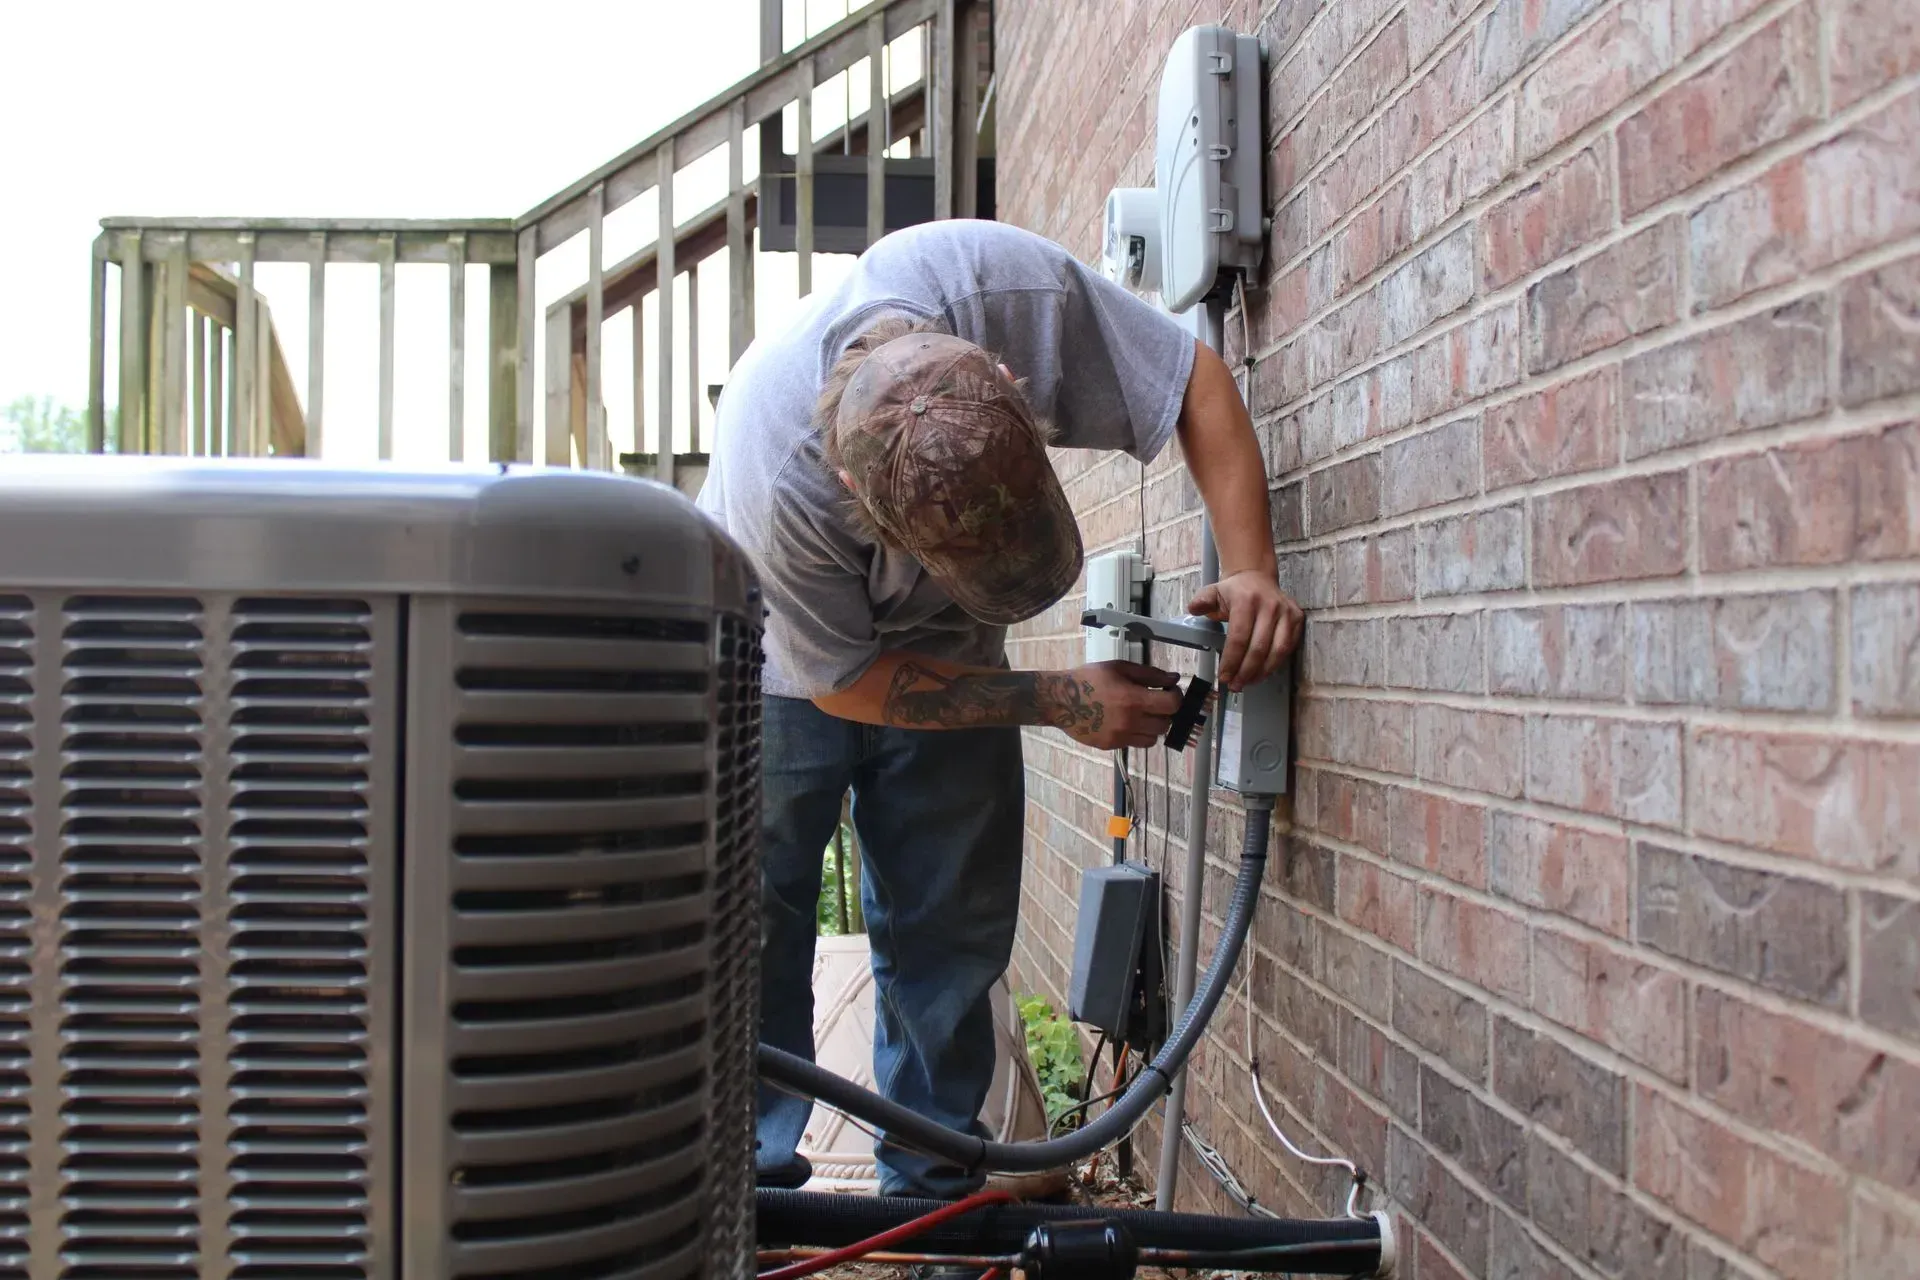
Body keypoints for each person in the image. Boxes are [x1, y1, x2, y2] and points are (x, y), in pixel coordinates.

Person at [695, 217, 1302, 1202]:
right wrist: (1056, 697)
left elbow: (1190, 380)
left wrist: (1249, 570)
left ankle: (933, 1196)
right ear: (859, 494)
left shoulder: (1013, 296)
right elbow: (843, 678)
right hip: (780, 661)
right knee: (757, 927)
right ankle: (747, 1192)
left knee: (950, 929)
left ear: (1014, 385)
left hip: (943, 646)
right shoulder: (784, 474)